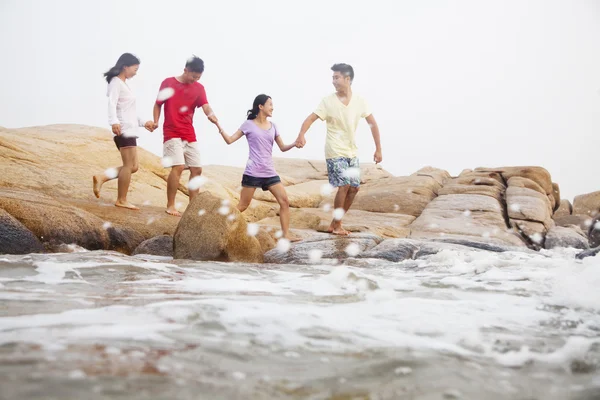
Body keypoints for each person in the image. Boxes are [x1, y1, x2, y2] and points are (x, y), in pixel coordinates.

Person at [295, 63, 382, 235]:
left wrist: (378, 149)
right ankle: (338, 225)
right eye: (333, 77)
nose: (333, 81)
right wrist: (301, 135)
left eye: (337, 77)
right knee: (344, 185)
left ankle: (334, 223)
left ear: (347, 79)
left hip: (352, 151)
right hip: (334, 150)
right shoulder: (327, 101)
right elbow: (310, 119)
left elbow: (373, 124)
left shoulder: (360, 101)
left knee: (354, 188)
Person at [215, 94, 300, 242]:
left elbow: (282, 147)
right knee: (242, 205)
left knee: (284, 201)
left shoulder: (273, 126)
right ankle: (219, 226)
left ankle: (286, 235)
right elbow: (230, 140)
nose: (272, 107)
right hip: (252, 172)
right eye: (270, 104)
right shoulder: (248, 124)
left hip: (269, 172)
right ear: (261, 107)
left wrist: (294, 143)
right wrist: (218, 125)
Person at [153, 56, 219, 216]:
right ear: (185, 70)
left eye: (198, 77)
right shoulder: (168, 83)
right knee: (179, 167)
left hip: (188, 133)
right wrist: (155, 122)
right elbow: (157, 104)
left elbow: (205, 105)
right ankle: (170, 205)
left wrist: (210, 114)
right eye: (193, 76)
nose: (195, 80)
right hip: (172, 131)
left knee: (197, 169)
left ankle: (192, 208)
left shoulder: (199, 88)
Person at [93, 53, 155, 210]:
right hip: (124, 128)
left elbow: (130, 111)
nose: (136, 72)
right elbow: (112, 103)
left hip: (130, 128)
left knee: (134, 166)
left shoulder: (124, 84)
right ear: (125, 67)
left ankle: (102, 177)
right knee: (128, 165)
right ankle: (121, 199)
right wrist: (113, 122)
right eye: (135, 69)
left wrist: (144, 122)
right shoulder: (116, 82)